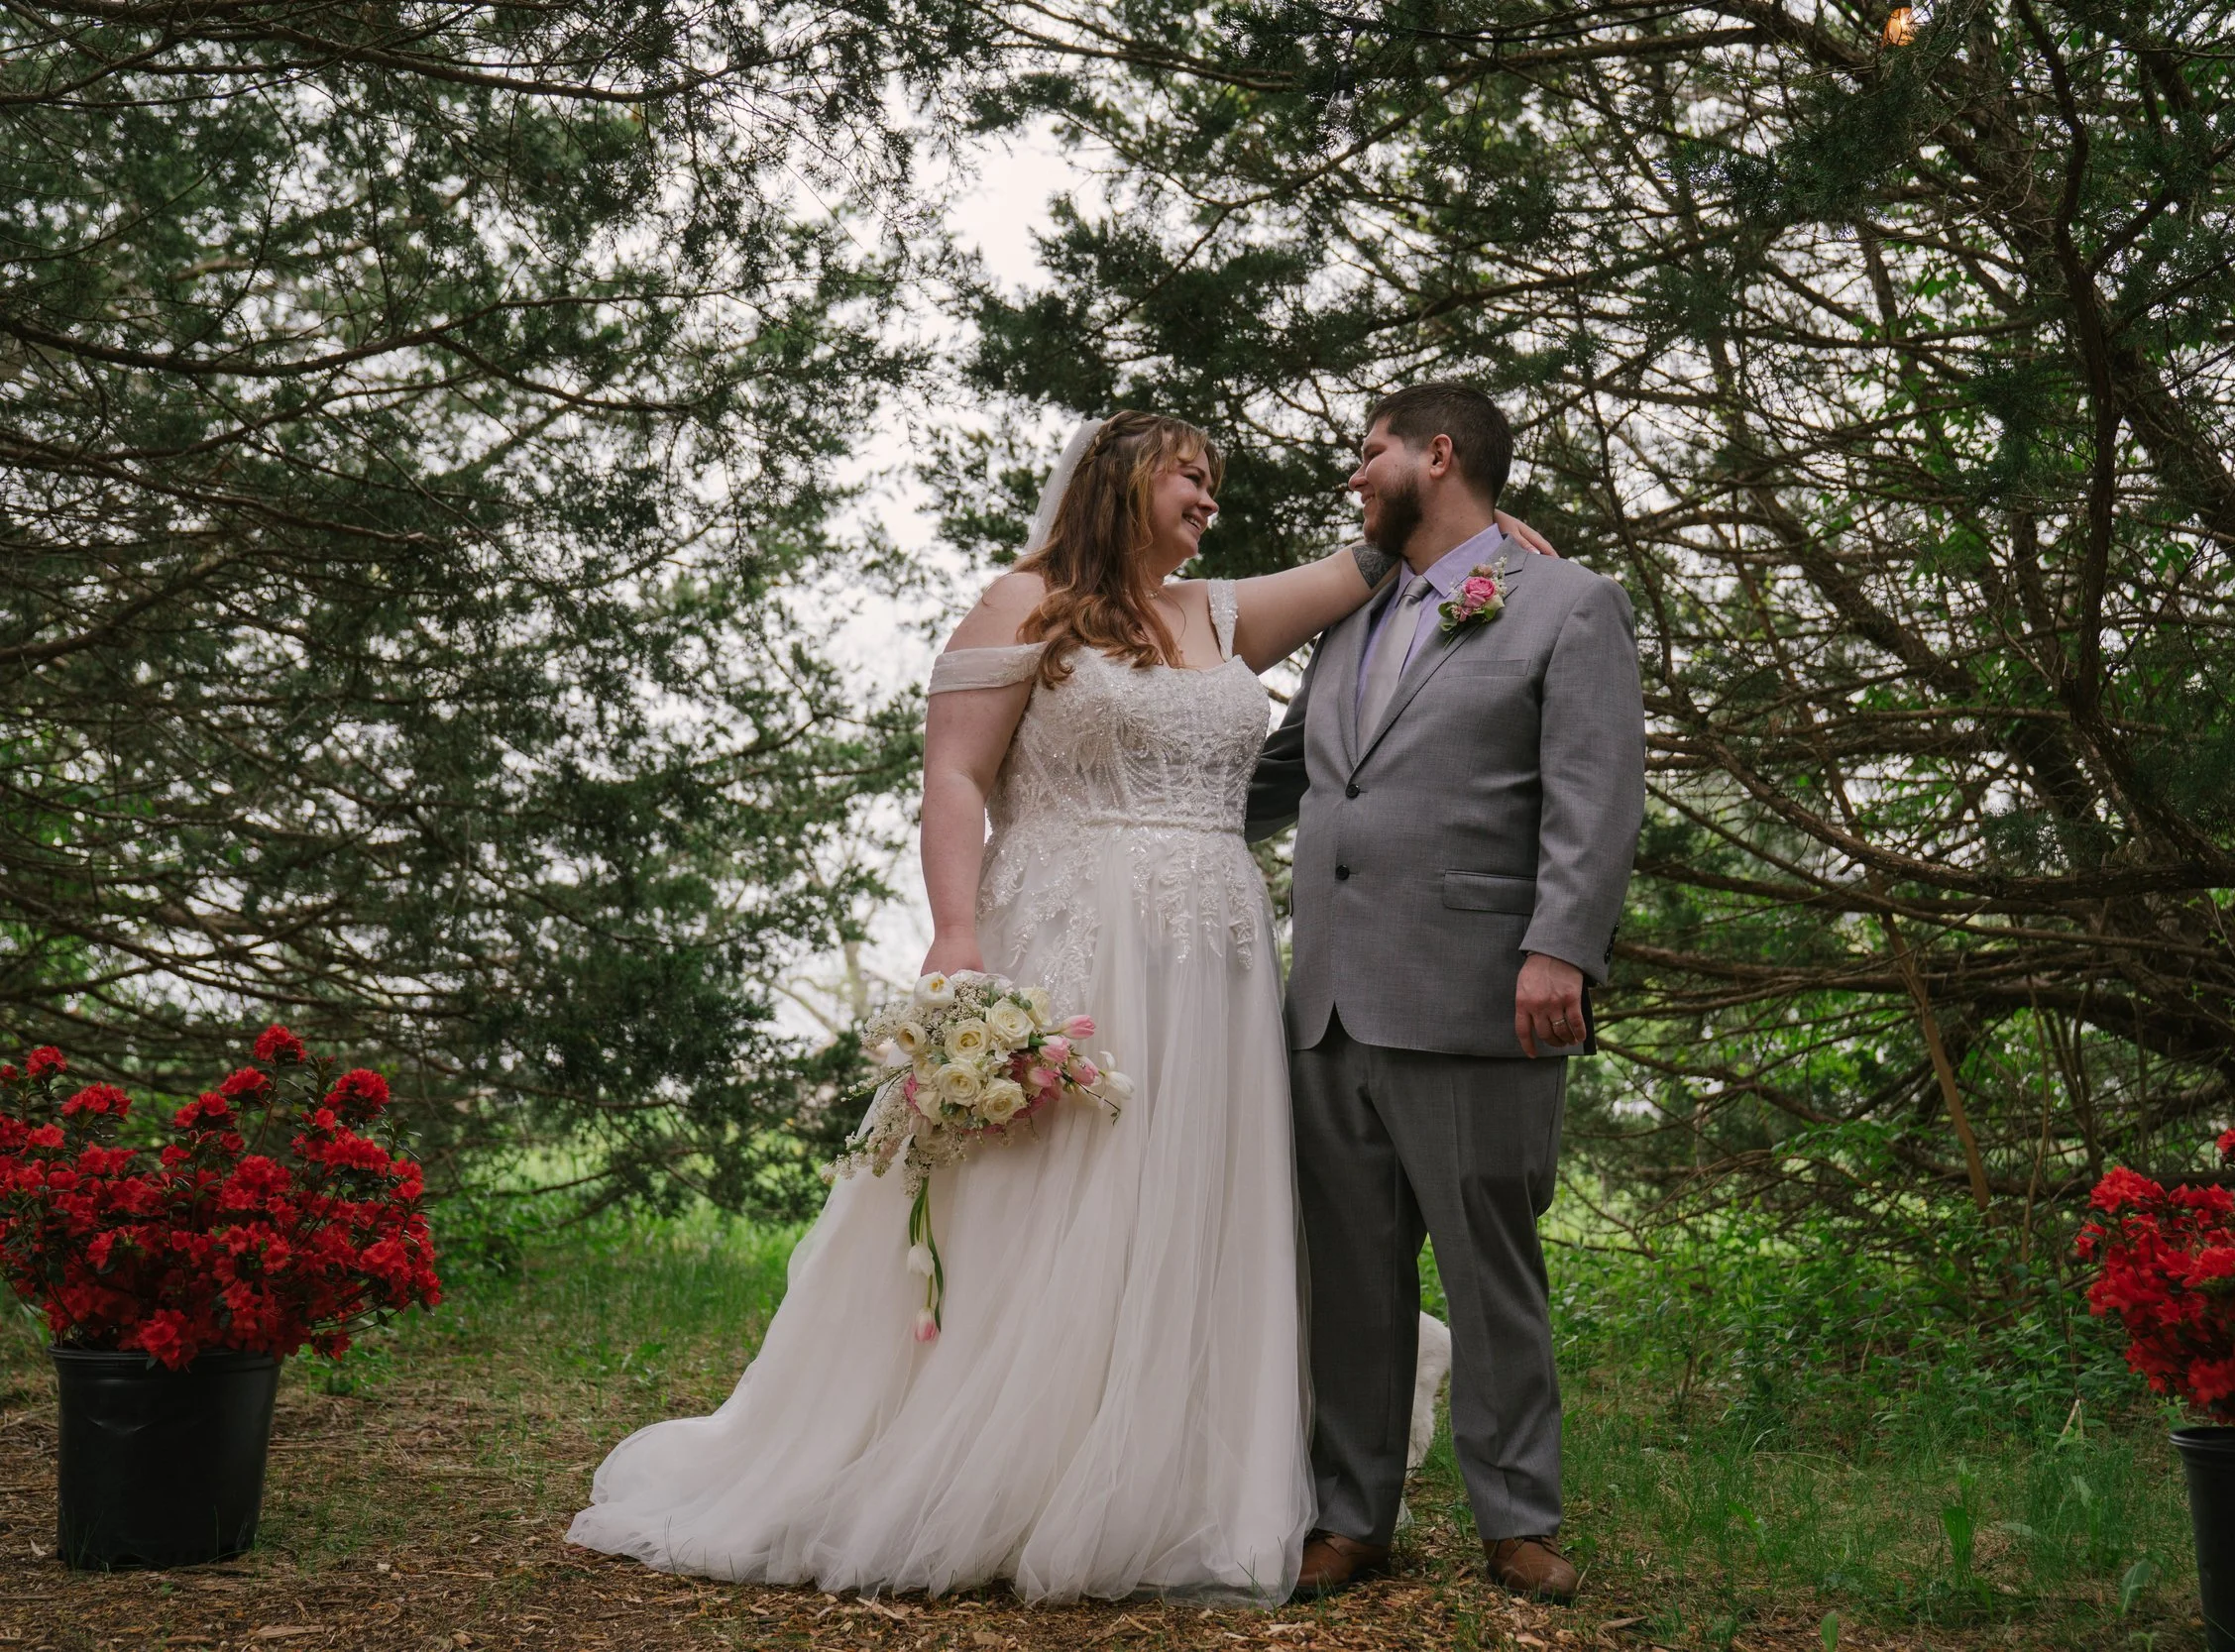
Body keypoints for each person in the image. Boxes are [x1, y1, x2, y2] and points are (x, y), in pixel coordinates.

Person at [568, 410, 1544, 1602]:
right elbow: (953, 773)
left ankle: (1173, 1472)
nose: (1207, 501)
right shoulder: (1020, 602)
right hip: (1073, 937)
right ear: (1123, 477)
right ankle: (1015, 1465)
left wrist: (1485, 541)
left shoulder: (1218, 614)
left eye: (1213, 486)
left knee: (1193, 1188)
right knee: (1055, 1189)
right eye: (1191, 477)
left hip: (1218, 962)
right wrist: (957, 929)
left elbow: (1376, 563)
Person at [1246, 384, 1645, 1604]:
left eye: (1369, 450)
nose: (1354, 473)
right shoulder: (1350, 617)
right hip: (1327, 1004)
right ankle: (1350, 1516)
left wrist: (1558, 949)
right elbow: (1282, 778)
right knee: (1351, 1277)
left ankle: (1518, 1517)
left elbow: (1596, 792)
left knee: (1490, 1270)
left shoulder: (1566, 604)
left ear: (1439, 453)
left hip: (1479, 991)